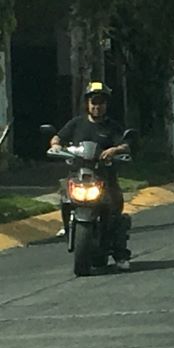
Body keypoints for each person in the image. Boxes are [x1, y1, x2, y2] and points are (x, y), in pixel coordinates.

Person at [50, 81, 133, 269]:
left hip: (105, 176)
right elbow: (58, 137)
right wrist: (55, 145)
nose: (97, 106)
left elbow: (125, 143)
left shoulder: (112, 126)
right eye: (93, 102)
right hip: (78, 175)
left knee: (114, 212)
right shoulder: (77, 123)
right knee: (64, 196)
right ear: (87, 104)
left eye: (101, 103)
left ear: (106, 105)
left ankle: (120, 254)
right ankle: (67, 226)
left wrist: (115, 150)